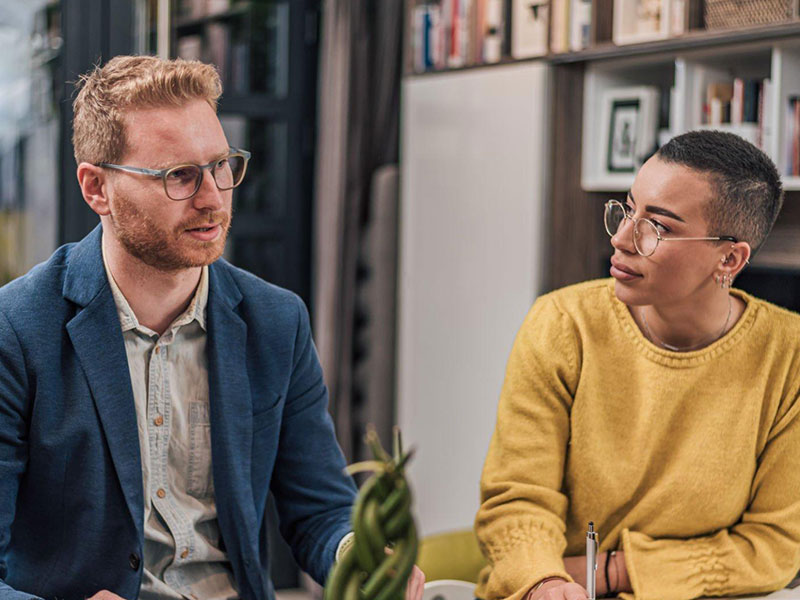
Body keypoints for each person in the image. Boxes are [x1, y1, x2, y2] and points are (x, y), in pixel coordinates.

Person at [0, 55, 424, 600]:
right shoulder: (17, 329)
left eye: (221, 166)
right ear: (97, 188)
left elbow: (320, 508)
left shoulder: (276, 320)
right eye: (179, 175)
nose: (213, 198)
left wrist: (357, 555)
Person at [474, 130, 800, 600]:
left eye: (658, 227)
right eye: (628, 210)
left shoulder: (789, 357)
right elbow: (517, 499)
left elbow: (774, 546)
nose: (622, 238)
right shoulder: (562, 324)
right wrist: (545, 581)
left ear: (729, 258)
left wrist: (613, 571)